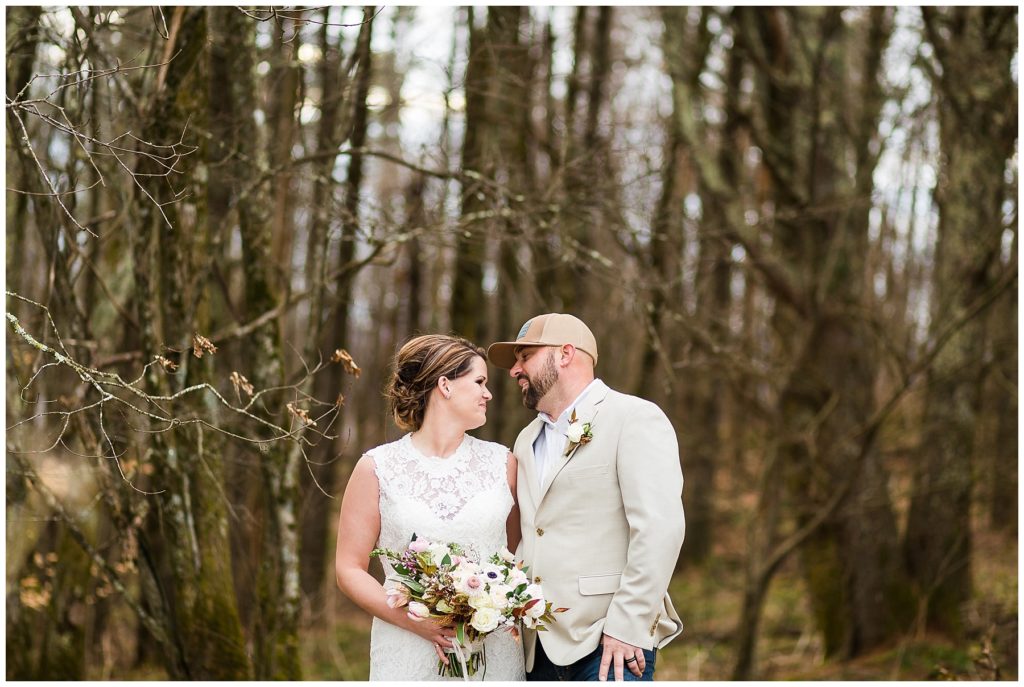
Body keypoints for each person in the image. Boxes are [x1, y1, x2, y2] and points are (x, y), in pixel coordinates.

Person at [487, 313, 685, 682]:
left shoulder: (635, 418)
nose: (514, 370)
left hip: (609, 642)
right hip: (537, 647)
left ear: (564, 354)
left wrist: (626, 625)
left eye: (524, 356)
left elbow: (660, 530)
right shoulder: (526, 441)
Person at [334, 334, 526, 681]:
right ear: (445, 386)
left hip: (490, 647)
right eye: (479, 382)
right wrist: (415, 621)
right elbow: (349, 569)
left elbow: (516, 555)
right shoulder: (377, 467)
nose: (488, 394)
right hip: (406, 647)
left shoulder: (503, 463)